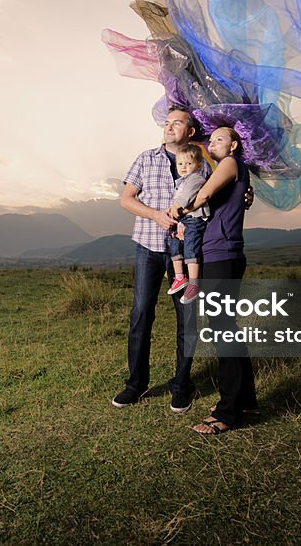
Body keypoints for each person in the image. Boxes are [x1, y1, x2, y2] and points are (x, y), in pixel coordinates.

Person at [113, 107, 210, 413]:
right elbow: (126, 199)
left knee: (187, 316)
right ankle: (136, 384)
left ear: (190, 131)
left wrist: (245, 192)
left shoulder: (202, 161)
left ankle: (182, 385)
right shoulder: (146, 158)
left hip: (185, 250)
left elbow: (220, 190)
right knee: (141, 313)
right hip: (148, 246)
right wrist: (155, 215)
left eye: (176, 123)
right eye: (166, 123)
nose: (169, 127)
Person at [173, 126, 257, 434]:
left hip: (223, 254)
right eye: (212, 138)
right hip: (219, 253)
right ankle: (244, 399)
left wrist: (179, 210)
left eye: (220, 138)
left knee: (223, 330)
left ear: (234, 145)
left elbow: (203, 194)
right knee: (227, 329)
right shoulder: (227, 169)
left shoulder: (229, 164)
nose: (213, 142)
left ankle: (228, 412)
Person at [166, 144, 210, 305]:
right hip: (182, 219)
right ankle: (179, 277)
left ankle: (194, 283)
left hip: (194, 219)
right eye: (180, 164)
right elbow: (176, 201)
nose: (184, 167)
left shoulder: (196, 178)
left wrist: (176, 207)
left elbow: (187, 196)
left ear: (198, 165)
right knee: (174, 244)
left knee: (191, 248)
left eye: (189, 163)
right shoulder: (180, 181)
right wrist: (172, 211)